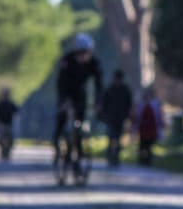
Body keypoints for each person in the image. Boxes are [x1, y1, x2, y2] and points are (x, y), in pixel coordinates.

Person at [53, 33, 102, 163]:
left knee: (78, 126)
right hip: (66, 92)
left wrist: (98, 101)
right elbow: (60, 82)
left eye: (87, 53)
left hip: (80, 95)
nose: (84, 56)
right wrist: (63, 101)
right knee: (61, 120)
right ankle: (57, 148)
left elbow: (99, 83)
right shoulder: (67, 60)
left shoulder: (93, 62)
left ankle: (78, 156)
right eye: (81, 53)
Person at [100, 70, 133, 166]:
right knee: (111, 138)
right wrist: (104, 115)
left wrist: (127, 116)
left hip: (120, 119)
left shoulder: (125, 90)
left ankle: (116, 158)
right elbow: (104, 103)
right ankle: (110, 157)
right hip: (110, 118)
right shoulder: (109, 90)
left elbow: (128, 104)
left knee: (118, 139)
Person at [133, 89, 164, 166]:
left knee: (149, 145)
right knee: (142, 145)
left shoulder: (155, 105)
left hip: (151, 129)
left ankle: (148, 160)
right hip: (143, 128)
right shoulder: (141, 105)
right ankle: (142, 160)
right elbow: (137, 117)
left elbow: (159, 116)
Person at [0, 88, 19, 160]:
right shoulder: (3, 104)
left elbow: (16, 111)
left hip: (6, 124)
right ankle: (4, 152)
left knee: (7, 139)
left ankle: (6, 152)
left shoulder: (7, 104)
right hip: (4, 124)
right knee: (3, 139)